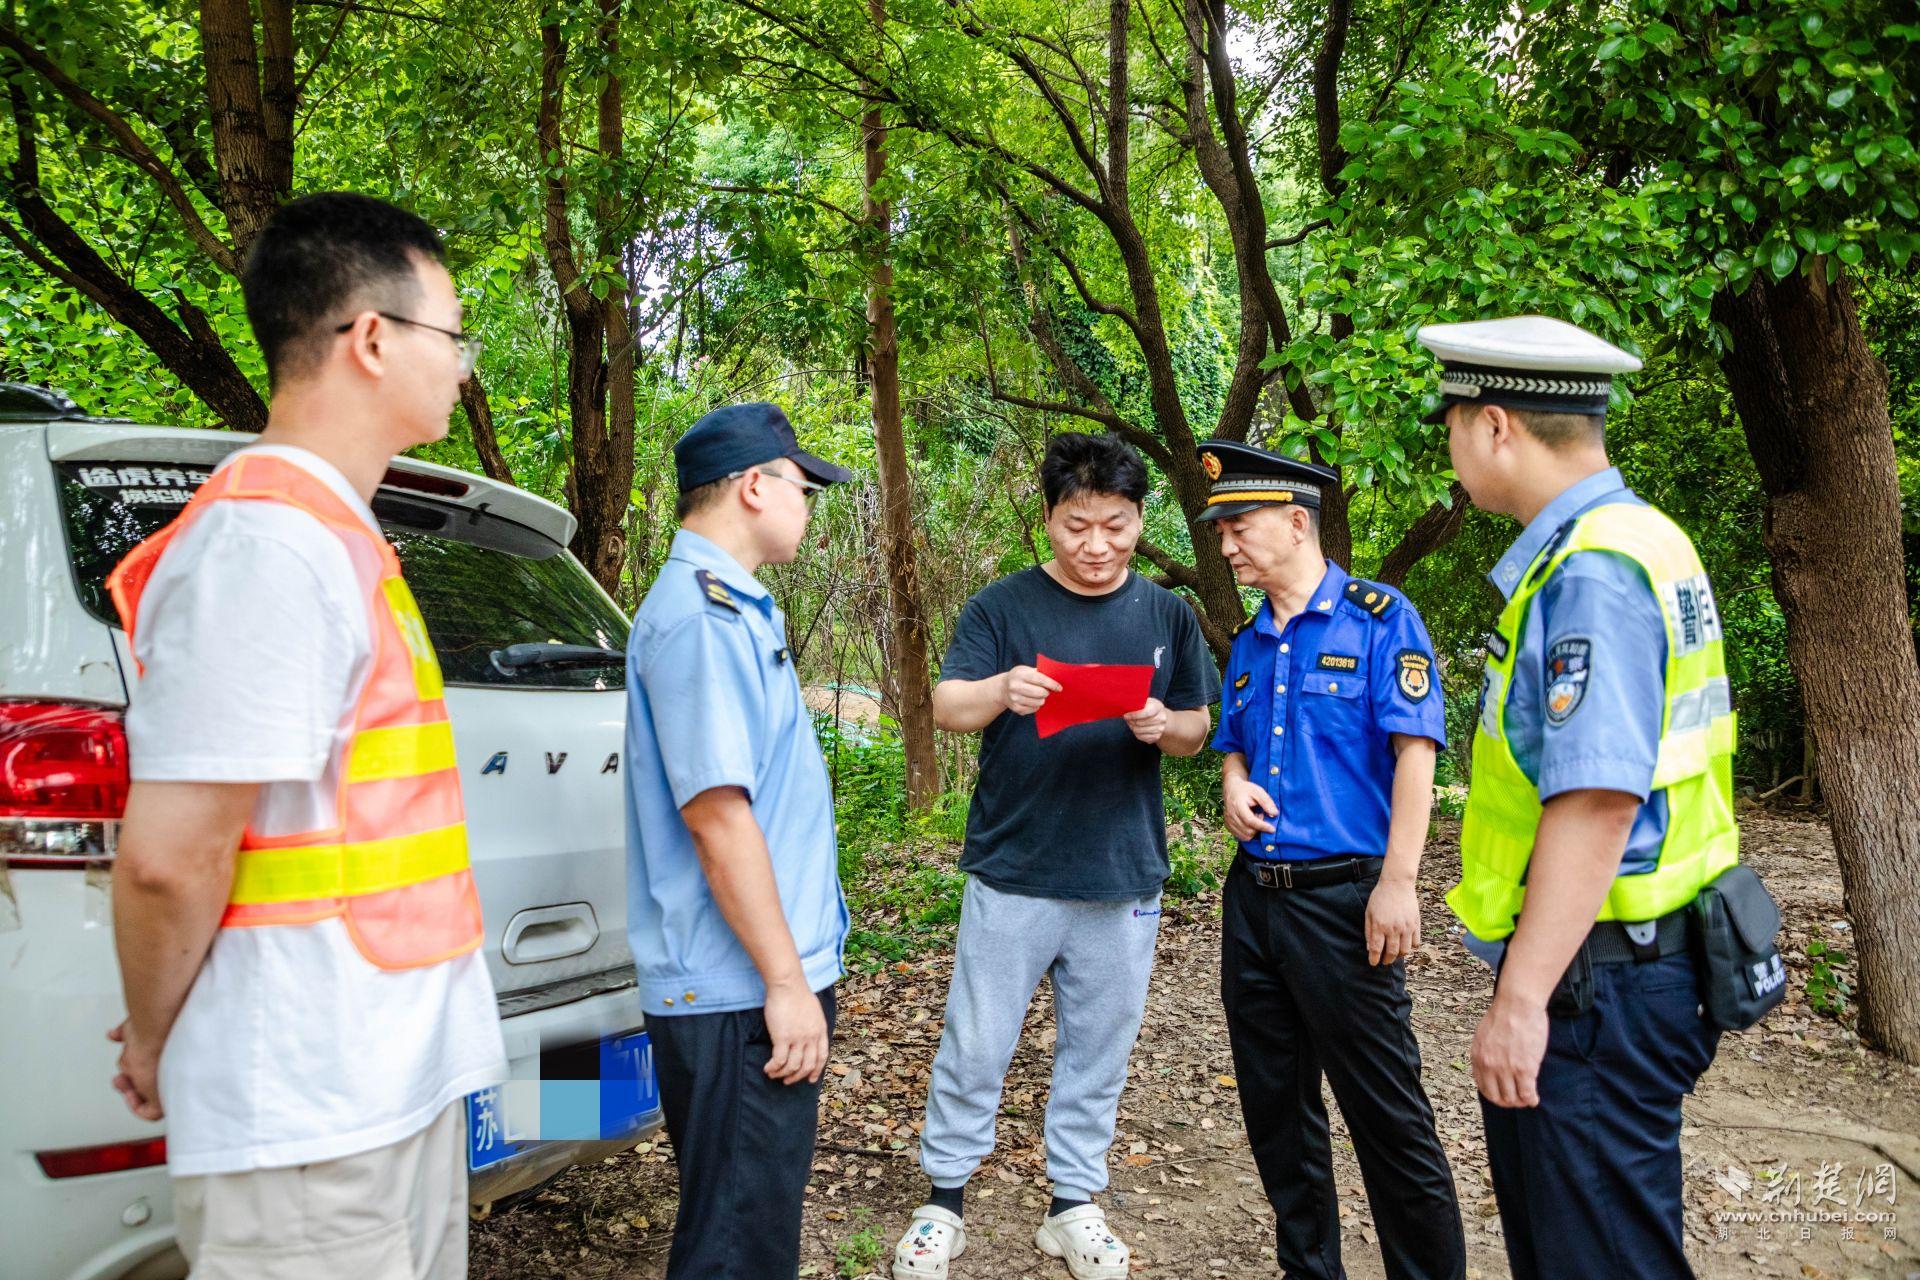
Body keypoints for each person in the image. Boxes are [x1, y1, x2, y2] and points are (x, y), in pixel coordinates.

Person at [103, 193, 506, 1278]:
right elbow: (167, 859)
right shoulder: (266, 546)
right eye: (452, 335)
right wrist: (153, 1037)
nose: (461, 365)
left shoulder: (336, 536)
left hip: (385, 1087)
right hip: (303, 1106)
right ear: (372, 338)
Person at [1418, 315, 1739, 1280]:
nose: (1451, 448)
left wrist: (1521, 1001)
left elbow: (1598, 800)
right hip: (1625, 961)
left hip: (1598, 982)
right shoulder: (1642, 538)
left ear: (1494, 425)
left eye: (1451, 424)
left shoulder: (1591, 570)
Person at [890, 433, 1218, 1280]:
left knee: (1098, 1049)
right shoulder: (1003, 607)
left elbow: (1197, 728)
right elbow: (948, 704)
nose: (1097, 545)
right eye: (1078, 526)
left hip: (1121, 870)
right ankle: (944, 1202)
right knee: (977, 1041)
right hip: (1016, 867)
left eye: (1116, 525)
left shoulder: (1167, 615)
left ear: (1139, 519)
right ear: (1048, 518)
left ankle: (1073, 1204)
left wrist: (1165, 725)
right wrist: (1001, 690)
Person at [1198, 441, 1466, 1279]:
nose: (1226, 545)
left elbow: (1417, 754)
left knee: (1388, 1119)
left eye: (1238, 526)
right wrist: (1232, 784)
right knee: (1277, 1113)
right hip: (1255, 903)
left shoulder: (1381, 619)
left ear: (1296, 522)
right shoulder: (1250, 642)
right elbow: (1234, 746)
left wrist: (1399, 884)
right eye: (1220, 531)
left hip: (1345, 904)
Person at [623, 401, 853, 1279]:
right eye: (803, 488)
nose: (808, 507)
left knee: (747, 1227)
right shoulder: (702, 618)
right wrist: (786, 984)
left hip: (749, 979)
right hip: (740, 989)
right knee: (736, 1248)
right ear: (755, 486)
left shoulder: (735, 609)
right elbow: (717, 818)